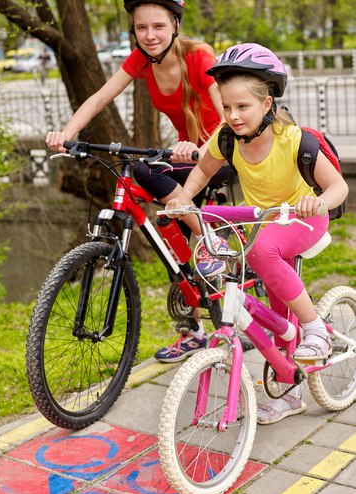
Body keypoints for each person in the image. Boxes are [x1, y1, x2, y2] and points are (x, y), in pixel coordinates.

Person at [165, 43, 349, 423]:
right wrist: (183, 197)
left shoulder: (295, 141)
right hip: (264, 222)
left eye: (242, 107)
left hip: (303, 218)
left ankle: (315, 328)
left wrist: (317, 202)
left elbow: (339, 189)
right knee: (277, 306)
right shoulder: (227, 138)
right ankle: (291, 389)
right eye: (227, 107)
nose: (232, 115)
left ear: (266, 105)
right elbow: (202, 171)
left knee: (263, 253)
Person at [45, 0, 232, 362]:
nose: (149, 35)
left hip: (220, 152)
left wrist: (199, 148)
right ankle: (194, 327)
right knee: (143, 181)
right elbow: (101, 97)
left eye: (158, 26)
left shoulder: (200, 57)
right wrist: (67, 134)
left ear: (175, 24)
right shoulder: (142, 60)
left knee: (148, 175)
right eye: (141, 27)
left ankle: (208, 239)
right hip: (185, 157)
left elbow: (227, 116)